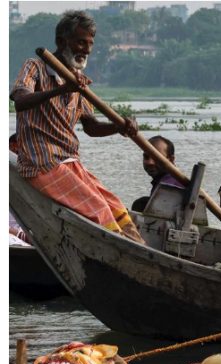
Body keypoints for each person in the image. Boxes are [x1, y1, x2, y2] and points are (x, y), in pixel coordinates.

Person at [10, 10, 143, 243]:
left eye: (90, 43)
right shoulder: (35, 67)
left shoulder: (78, 80)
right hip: (42, 163)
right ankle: (121, 250)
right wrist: (62, 89)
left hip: (70, 161)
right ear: (62, 42)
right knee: (98, 209)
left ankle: (141, 249)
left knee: (115, 206)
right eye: (81, 42)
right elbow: (20, 101)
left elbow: (91, 127)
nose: (86, 49)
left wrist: (119, 127)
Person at [131, 135, 184, 212]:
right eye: (146, 157)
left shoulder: (170, 187)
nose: (150, 162)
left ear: (171, 159)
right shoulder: (166, 181)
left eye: (156, 158)